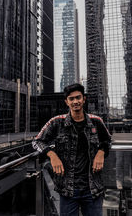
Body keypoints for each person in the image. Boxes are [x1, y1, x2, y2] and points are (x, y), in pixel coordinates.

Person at [32, 83, 111, 216]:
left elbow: (108, 140)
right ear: (66, 102)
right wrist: (52, 155)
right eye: (71, 99)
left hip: (92, 189)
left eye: (78, 97)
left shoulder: (96, 121)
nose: (75, 101)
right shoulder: (57, 122)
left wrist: (101, 152)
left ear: (84, 99)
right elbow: (37, 141)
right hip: (68, 190)